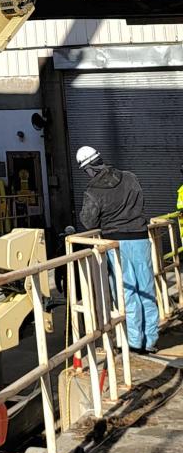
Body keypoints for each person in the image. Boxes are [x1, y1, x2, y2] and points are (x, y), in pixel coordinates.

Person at [76, 145, 159, 355]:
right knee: (146, 289)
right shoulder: (130, 177)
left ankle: (133, 342)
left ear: (88, 169)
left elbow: (87, 221)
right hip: (140, 238)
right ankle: (149, 341)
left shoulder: (93, 191)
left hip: (115, 244)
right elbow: (141, 202)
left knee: (126, 292)